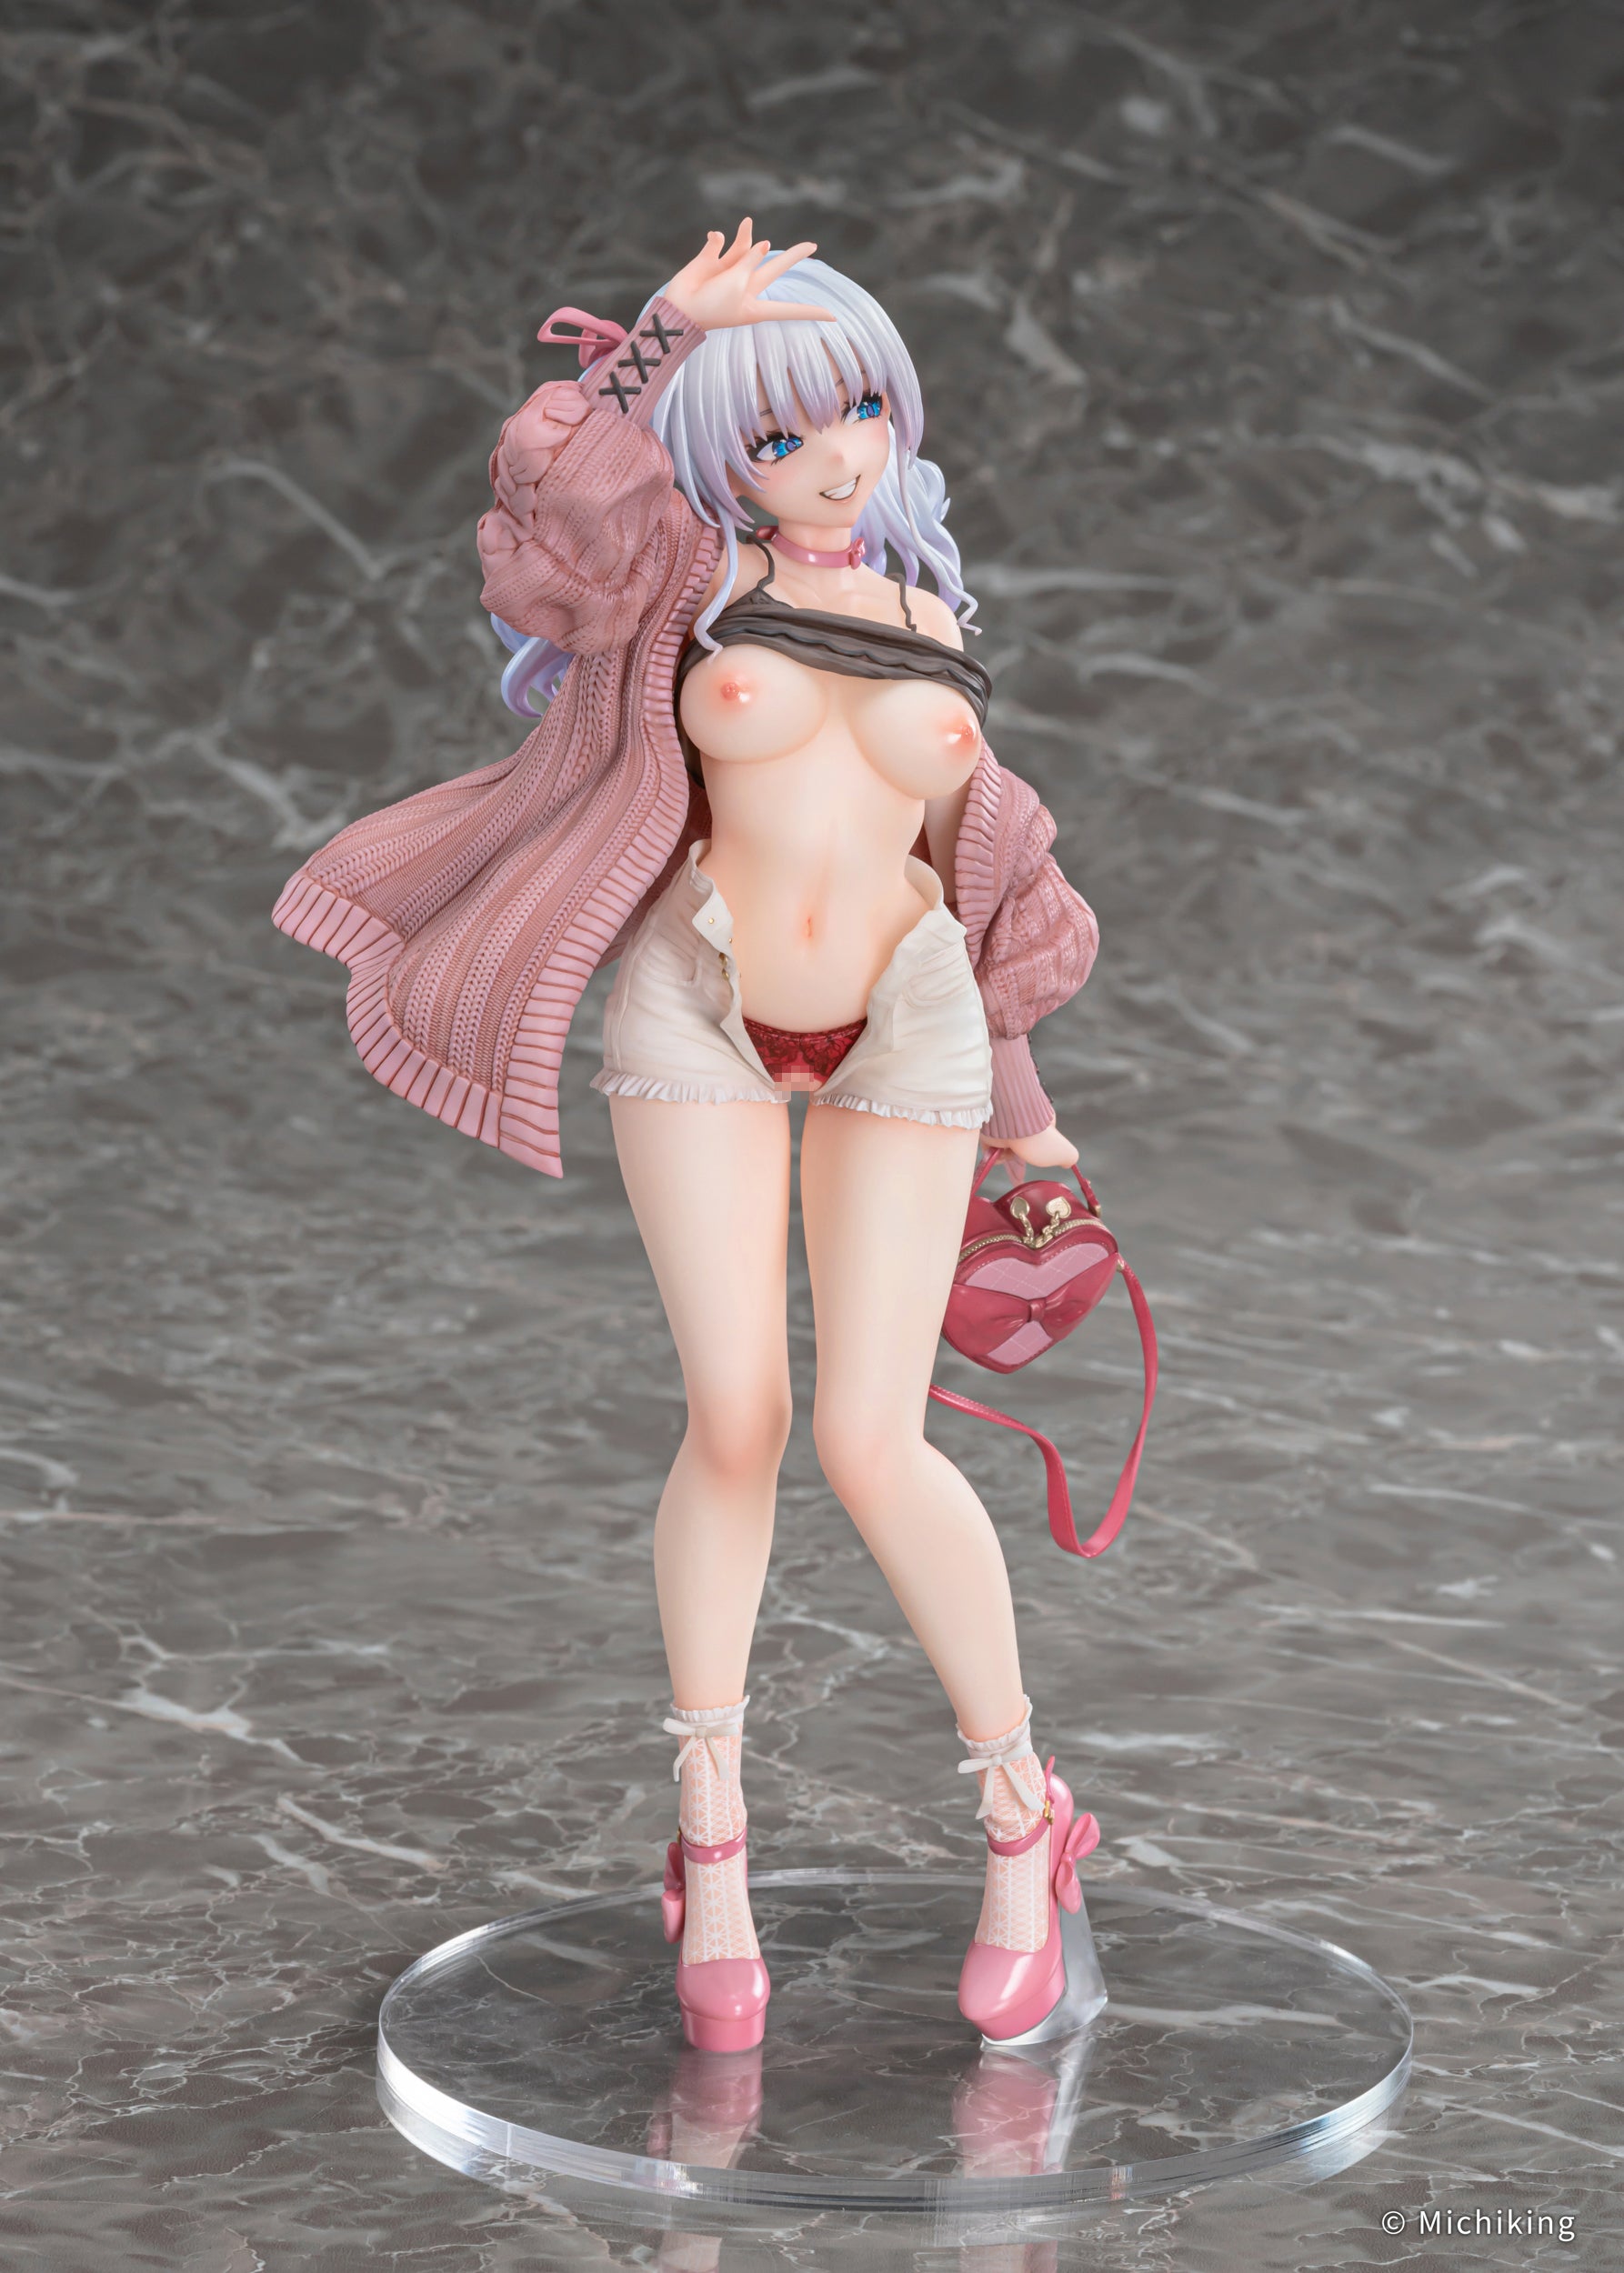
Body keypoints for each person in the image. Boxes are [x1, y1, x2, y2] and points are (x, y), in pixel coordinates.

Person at [274, 221, 1102, 2055]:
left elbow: (984, 881)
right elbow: (551, 483)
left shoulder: (931, 622)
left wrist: (1033, 1125)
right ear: (724, 451)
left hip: (907, 1022)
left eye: (856, 411)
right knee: (736, 1417)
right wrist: (659, 337)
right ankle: (709, 1846)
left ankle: (1020, 1816)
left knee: (874, 1438)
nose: (831, 458)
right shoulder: (680, 579)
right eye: (778, 431)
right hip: (697, 1006)